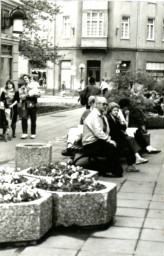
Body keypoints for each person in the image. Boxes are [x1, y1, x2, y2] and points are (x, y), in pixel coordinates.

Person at [82, 96, 124, 177]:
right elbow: (98, 132)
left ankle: (112, 170)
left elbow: (106, 131)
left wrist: (110, 139)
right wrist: (109, 140)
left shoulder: (101, 115)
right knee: (111, 148)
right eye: (103, 104)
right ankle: (112, 171)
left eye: (106, 104)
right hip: (90, 144)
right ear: (97, 104)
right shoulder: (93, 116)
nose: (105, 106)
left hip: (97, 141)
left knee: (118, 144)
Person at [107, 102, 141, 172]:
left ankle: (131, 164)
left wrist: (121, 122)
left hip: (118, 137)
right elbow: (114, 131)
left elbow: (123, 128)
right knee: (128, 144)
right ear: (110, 111)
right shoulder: (109, 119)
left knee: (129, 142)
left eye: (117, 110)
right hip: (113, 138)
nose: (116, 112)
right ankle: (131, 165)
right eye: (114, 110)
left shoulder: (115, 118)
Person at [19, 74, 41, 139]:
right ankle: (24, 133)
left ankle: (33, 133)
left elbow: (39, 94)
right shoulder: (22, 87)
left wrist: (37, 94)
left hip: (33, 103)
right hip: (25, 104)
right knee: (24, 118)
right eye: (24, 78)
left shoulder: (35, 85)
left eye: (26, 78)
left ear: (29, 78)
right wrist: (26, 95)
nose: (25, 79)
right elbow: (20, 96)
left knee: (33, 118)